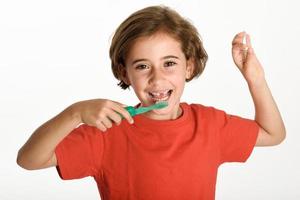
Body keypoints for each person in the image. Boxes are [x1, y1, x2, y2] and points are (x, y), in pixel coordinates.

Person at [17, 5, 286, 200]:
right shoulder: (107, 129)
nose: (158, 79)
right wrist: (74, 113)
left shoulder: (210, 124)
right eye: (143, 66)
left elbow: (273, 134)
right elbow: (29, 160)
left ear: (189, 67)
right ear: (125, 73)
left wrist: (256, 79)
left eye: (169, 63)